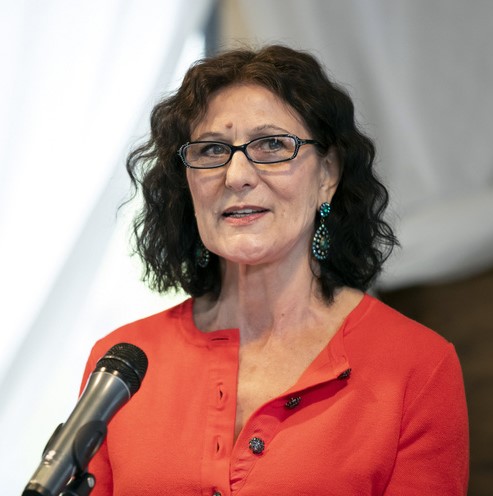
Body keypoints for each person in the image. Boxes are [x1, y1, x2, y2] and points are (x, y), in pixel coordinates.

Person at [81, 45, 469, 495]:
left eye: (271, 145)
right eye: (211, 150)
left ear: (327, 174)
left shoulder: (418, 366)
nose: (236, 176)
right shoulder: (120, 365)